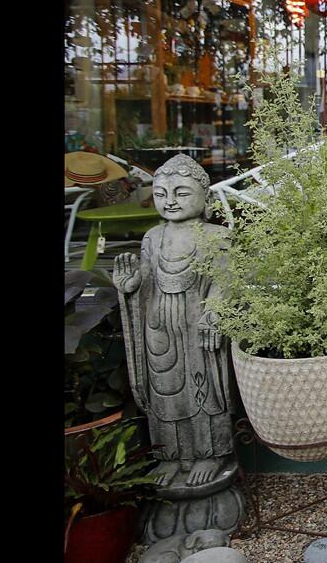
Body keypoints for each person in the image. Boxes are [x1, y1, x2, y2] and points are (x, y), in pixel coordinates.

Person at [112, 154, 235, 488]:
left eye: (181, 193)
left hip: (197, 325)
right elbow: (147, 277)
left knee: (204, 392)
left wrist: (214, 313)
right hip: (160, 328)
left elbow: (226, 281)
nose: (169, 201)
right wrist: (130, 285)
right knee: (165, 393)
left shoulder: (216, 237)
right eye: (161, 193)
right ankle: (172, 456)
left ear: (205, 198)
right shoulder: (152, 238)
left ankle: (211, 453)